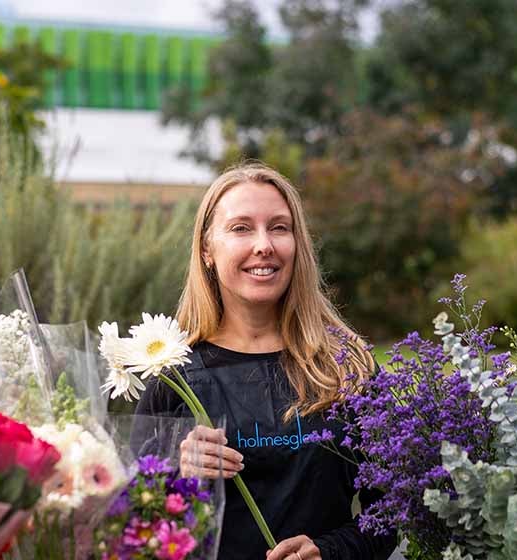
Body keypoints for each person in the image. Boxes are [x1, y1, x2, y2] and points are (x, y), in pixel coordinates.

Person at [133, 163, 397, 560]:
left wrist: (330, 551)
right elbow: (134, 519)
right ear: (207, 249)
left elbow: (396, 508)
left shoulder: (347, 367)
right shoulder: (173, 376)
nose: (264, 245)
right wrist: (177, 472)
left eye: (279, 227)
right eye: (241, 228)